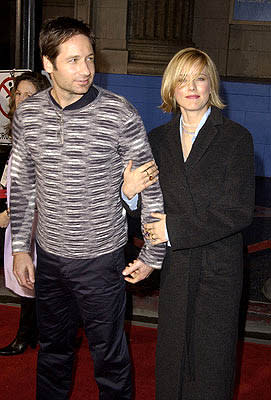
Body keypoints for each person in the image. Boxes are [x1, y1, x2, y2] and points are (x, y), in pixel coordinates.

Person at [10, 17, 165, 399]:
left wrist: (153, 253)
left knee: (110, 359)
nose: (86, 70)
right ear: (48, 64)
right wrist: (18, 248)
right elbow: (22, 183)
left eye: (90, 59)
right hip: (49, 257)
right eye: (74, 61)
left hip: (101, 260)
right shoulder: (28, 116)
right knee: (52, 352)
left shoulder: (119, 112)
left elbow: (150, 187)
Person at [124, 48, 255, 399]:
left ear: (211, 84)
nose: (192, 87)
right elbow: (151, 212)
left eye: (200, 78)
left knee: (211, 365)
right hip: (178, 266)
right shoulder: (157, 140)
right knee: (172, 361)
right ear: (171, 87)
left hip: (219, 268)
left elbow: (238, 211)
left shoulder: (235, 138)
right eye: (183, 79)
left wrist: (174, 229)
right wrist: (130, 194)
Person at [0, 72, 50, 356]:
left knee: (37, 277)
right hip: (19, 217)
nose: (21, 100)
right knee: (25, 278)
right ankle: (30, 333)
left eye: (29, 95)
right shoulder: (19, 130)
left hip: (39, 219)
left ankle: (33, 335)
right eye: (18, 94)